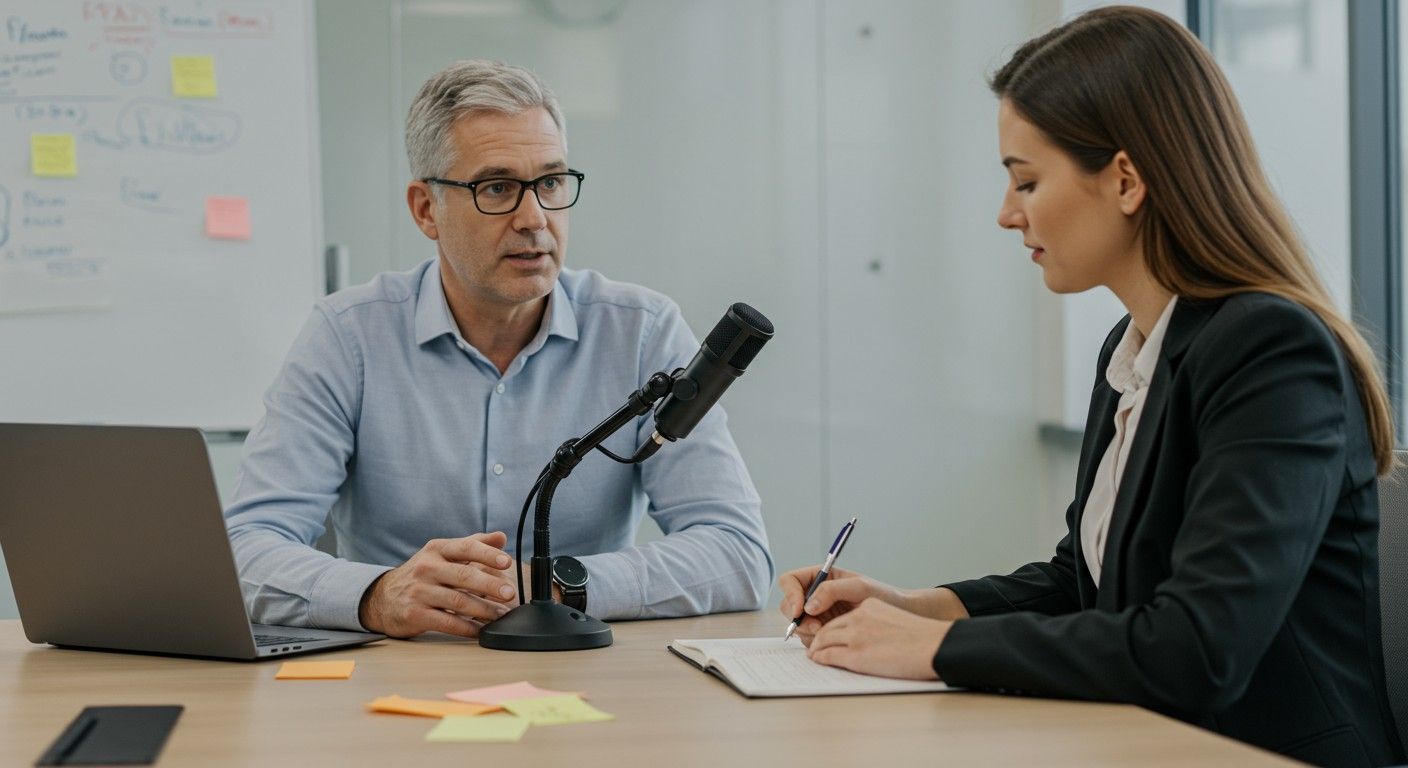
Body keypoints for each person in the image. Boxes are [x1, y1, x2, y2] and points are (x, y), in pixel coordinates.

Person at [778, 8, 1403, 767]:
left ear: (1126, 180)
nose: (1006, 214)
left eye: (1026, 181)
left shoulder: (1271, 351)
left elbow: (1197, 648)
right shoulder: (1137, 347)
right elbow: (1083, 583)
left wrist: (934, 649)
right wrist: (913, 608)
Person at [225, 60, 771, 639]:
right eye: (497, 188)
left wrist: (553, 586)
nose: (534, 219)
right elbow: (245, 549)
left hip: (580, 670)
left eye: (551, 184)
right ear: (426, 209)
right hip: (398, 672)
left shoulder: (641, 332)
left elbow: (737, 553)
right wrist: (380, 595)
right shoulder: (348, 336)